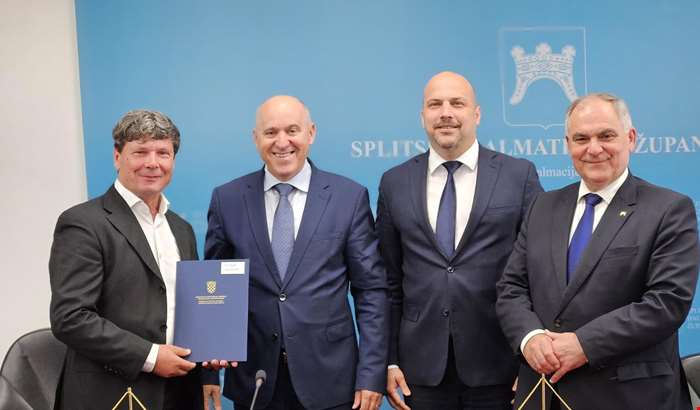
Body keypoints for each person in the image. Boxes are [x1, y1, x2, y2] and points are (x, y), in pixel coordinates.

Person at [496, 93, 699, 409]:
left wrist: (584, 344)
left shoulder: (669, 209)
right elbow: (511, 288)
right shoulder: (542, 206)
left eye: (606, 136)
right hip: (544, 392)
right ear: (568, 144)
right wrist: (529, 338)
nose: (593, 148)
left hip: (628, 397)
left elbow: (666, 302)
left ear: (630, 138)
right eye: (581, 138)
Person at [201, 95, 389, 410]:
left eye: (292, 130)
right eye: (270, 132)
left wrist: (371, 375)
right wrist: (208, 369)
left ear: (310, 133)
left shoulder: (348, 197)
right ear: (255, 138)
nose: (282, 142)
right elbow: (214, 290)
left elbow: (371, 291)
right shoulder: (227, 199)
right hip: (256, 381)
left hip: (331, 381)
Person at [376, 71, 542, 410]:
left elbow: (541, 272)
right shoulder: (394, 182)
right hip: (420, 370)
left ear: (476, 114)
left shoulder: (518, 175)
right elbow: (388, 281)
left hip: (501, 363)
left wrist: (530, 356)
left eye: (457, 103)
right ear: (423, 116)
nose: (446, 113)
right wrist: (389, 360)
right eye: (435, 104)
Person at [49, 110, 203, 409]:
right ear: (117, 157)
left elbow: (191, 309)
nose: (153, 163)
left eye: (163, 153)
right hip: (112, 393)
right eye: (140, 152)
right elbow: (70, 317)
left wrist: (210, 353)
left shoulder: (181, 229)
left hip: (181, 392)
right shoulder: (83, 223)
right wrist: (151, 356)